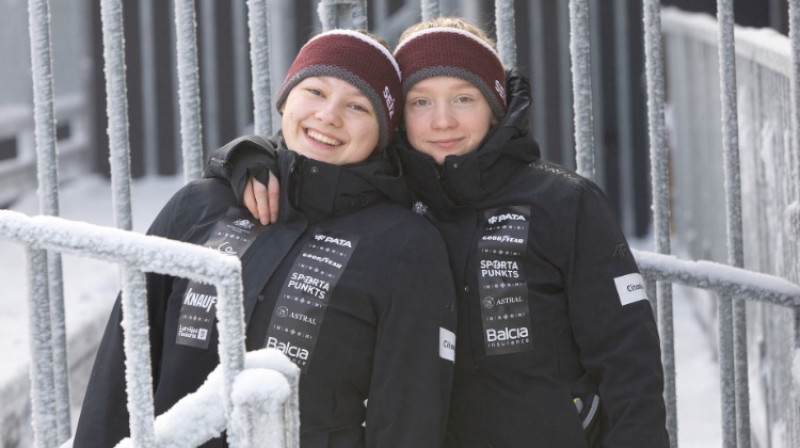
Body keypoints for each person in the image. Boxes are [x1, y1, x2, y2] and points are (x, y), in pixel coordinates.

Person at [215, 17, 670, 448]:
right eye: (420, 102)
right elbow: (311, 161)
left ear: (495, 107)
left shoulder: (563, 202)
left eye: (464, 98)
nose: (442, 121)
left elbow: (628, 359)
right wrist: (243, 155)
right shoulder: (382, 196)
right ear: (397, 117)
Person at [73, 29, 457, 448]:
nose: (329, 115)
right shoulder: (201, 205)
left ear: (382, 133)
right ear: (286, 98)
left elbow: (407, 415)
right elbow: (124, 361)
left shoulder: (403, 244)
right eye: (315, 90)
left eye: (357, 106)